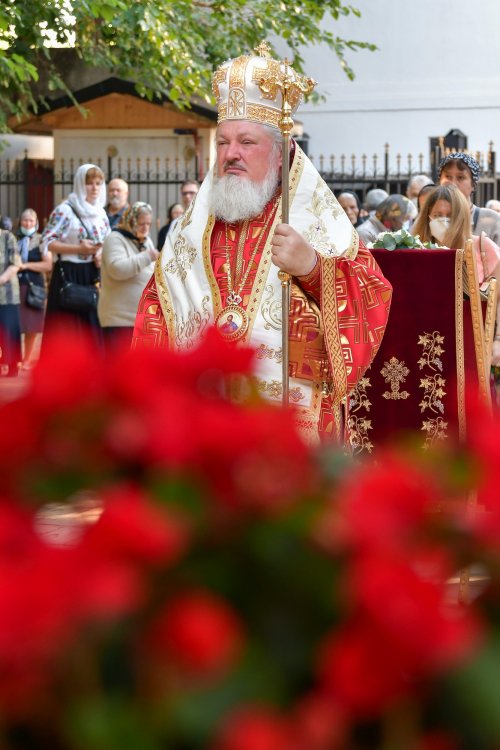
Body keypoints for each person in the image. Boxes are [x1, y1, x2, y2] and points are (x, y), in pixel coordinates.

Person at [132, 44, 392, 443]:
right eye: (223, 142)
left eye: (246, 142)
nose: (230, 154)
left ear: (282, 149)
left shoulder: (318, 219)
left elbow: (373, 298)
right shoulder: (192, 229)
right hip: (202, 420)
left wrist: (315, 269)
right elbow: (157, 307)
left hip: (291, 423)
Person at [411, 183, 500, 366]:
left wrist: (498, 340)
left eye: (450, 216)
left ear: (461, 217)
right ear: (427, 216)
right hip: (425, 352)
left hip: (473, 351)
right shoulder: (416, 252)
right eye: (437, 215)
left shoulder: (483, 247)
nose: (443, 221)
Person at [41, 164, 110, 346]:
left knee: (92, 328)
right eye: (89, 183)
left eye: (98, 183)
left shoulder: (101, 213)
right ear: (80, 184)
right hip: (69, 273)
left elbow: (108, 240)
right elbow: (47, 242)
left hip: (92, 274)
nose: (95, 188)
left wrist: (100, 254)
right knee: (67, 331)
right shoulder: (65, 210)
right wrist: (78, 250)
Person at [98, 202, 159, 352]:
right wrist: (147, 256)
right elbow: (117, 269)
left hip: (143, 320)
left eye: (148, 224)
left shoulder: (145, 241)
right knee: (118, 371)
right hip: (119, 320)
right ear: (130, 221)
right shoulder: (115, 238)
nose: (145, 228)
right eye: (141, 224)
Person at [16, 208, 52, 370]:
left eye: (31, 220)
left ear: (36, 223)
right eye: (25, 220)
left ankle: (27, 359)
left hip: (34, 286)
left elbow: (47, 264)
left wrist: (26, 265)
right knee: (13, 324)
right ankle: (12, 358)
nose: (28, 223)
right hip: (14, 286)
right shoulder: (13, 239)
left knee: (32, 325)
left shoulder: (42, 240)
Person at [438, 152, 500, 245]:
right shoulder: (430, 218)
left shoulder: (492, 220)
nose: (453, 184)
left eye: (460, 177)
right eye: (447, 176)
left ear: (473, 185)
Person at [0, 220, 21, 376]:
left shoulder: (8, 237)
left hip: (7, 292)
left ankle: (13, 363)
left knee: (9, 329)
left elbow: (15, 264)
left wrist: (1, 279)